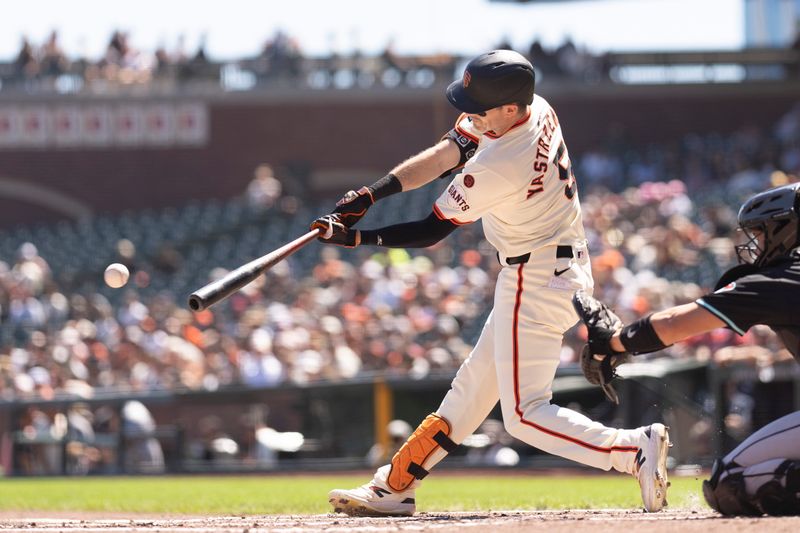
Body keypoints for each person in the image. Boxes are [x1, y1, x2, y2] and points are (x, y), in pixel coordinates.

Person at [311, 50, 670, 517]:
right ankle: (394, 487)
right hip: (552, 265)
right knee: (472, 391)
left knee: (523, 416)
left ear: (507, 108)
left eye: (479, 108)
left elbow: (430, 231)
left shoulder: (504, 160)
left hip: (535, 275)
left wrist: (357, 236)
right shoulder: (532, 106)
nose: (471, 115)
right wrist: (373, 193)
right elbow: (449, 149)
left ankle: (631, 449)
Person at [572, 182, 800, 516]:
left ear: (784, 229)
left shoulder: (779, 279)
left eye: (760, 233)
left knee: (729, 482)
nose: (755, 244)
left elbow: (678, 323)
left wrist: (615, 340)